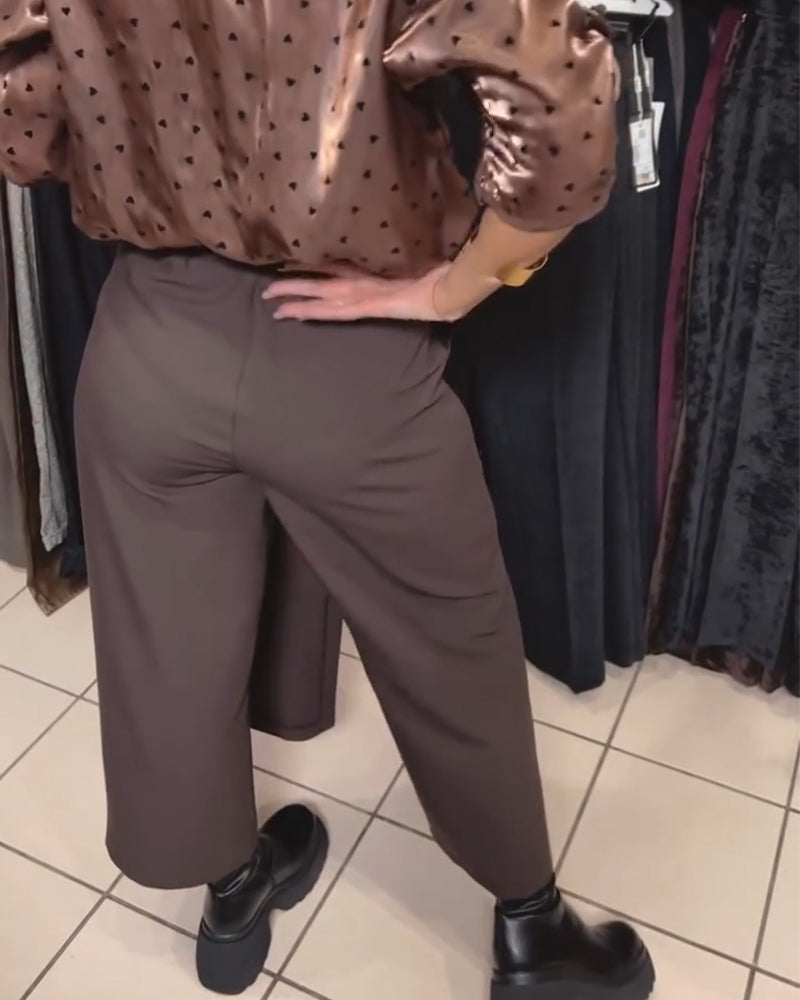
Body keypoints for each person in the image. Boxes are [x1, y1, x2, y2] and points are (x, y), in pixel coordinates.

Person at [1, 2, 655, 998]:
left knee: (166, 647)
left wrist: (154, 143)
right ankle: (532, 931)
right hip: (347, 353)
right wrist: (453, 288)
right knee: (452, 641)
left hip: (148, 335)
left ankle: (230, 894)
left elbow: (22, 119)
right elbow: (561, 114)